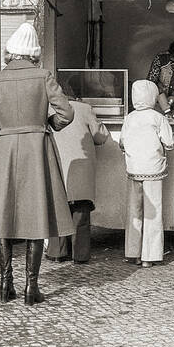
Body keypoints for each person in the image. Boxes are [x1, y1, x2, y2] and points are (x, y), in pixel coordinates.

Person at [0, 23, 75, 305]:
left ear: (11, 51)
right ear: (34, 52)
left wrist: (11, 128)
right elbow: (66, 113)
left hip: (7, 147)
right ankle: (31, 287)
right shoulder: (43, 76)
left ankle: (5, 282)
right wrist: (47, 123)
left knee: (3, 215)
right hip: (36, 147)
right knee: (36, 215)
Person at [45, 81, 110, 264]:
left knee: (58, 211)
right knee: (81, 213)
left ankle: (56, 253)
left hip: (57, 166)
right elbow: (100, 137)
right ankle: (80, 255)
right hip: (81, 168)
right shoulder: (84, 108)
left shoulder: (48, 111)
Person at [119, 79, 174, 268]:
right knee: (153, 212)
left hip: (134, 170)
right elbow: (170, 142)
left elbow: (122, 143)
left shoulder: (129, 117)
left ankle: (132, 253)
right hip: (153, 170)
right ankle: (149, 257)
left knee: (134, 213)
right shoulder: (158, 117)